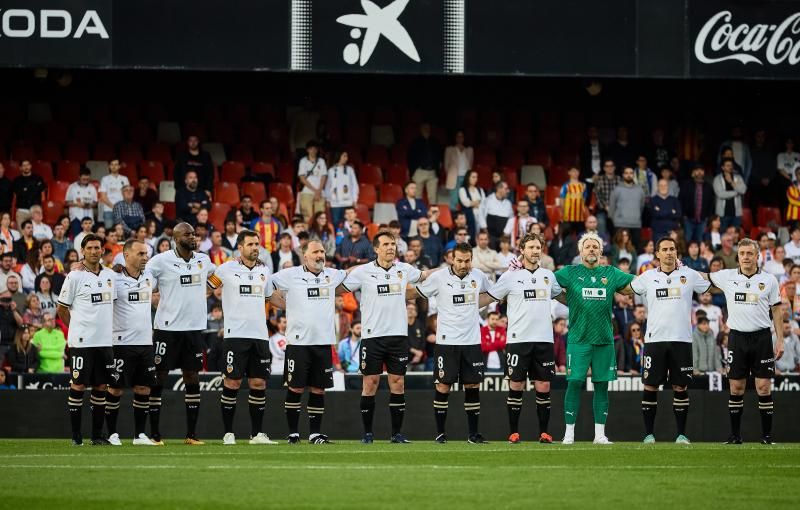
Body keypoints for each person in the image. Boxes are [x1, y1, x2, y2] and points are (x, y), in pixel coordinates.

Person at [342, 230, 436, 443]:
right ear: (376, 249)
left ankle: (396, 434)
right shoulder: (363, 271)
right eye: (385, 244)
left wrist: (448, 270)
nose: (390, 247)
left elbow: (424, 276)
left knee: (398, 384)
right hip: (372, 336)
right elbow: (340, 286)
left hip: (398, 337)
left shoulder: (404, 269)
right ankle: (367, 433)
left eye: (392, 244)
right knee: (370, 383)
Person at [480, 233, 562, 443]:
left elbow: (559, 295)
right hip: (518, 339)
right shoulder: (510, 276)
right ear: (522, 250)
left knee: (543, 386)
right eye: (531, 247)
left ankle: (544, 432)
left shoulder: (548, 275)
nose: (535, 251)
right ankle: (513, 432)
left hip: (544, 339)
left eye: (538, 247)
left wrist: (584, 303)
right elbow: (491, 297)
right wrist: (463, 303)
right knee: (516, 385)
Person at [554, 232, 635, 444]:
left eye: (595, 246)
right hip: (578, 339)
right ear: (580, 251)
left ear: (600, 251)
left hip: (604, 340)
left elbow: (638, 284)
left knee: (601, 386)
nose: (591, 249)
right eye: (587, 246)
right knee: (573, 384)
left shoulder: (611, 272)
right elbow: (547, 283)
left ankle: (600, 434)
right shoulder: (570, 272)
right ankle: (568, 434)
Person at [632, 237, 711, 444]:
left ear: (677, 252)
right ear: (657, 254)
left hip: (681, 340)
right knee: (650, 386)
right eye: (664, 249)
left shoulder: (689, 274)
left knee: (680, 387)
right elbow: (626, 288)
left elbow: (711, 285)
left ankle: (681, 435)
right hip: (655, 340)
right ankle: (649, 434)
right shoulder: (647, 277)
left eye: (672, 249)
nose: (669, 252)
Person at [270, 240, 348, 444]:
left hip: (323, 343)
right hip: (298, 343)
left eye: (322, 251)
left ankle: (314, 434)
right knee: (295, 388)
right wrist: (285, 305)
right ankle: (293, 433)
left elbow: (353, 272)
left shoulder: (331, 274)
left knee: (318, 389)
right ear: (305, 256)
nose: (320, 255)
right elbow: (266, 287)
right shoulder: (289, 275)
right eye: (316, 252)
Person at [146, 222, 216, 445]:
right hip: (167, 329)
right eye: (188, 234)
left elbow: (216, 278)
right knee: (159, 377)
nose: (193, 237)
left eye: (194, 233)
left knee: (192, 377)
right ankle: (155, 434)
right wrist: (153, 297)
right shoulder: (160, 261)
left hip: (194, 330)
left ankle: (191, 435)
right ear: (175, 238)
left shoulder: (203, 260)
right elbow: (142, 279)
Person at [207, 230, 279, 445]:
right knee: (233, 382)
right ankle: (228, 433)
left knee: (258, 383)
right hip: (235, 335)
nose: (255, 247)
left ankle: (256, 434)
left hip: (259, 336)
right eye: (250, 244)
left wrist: (295, 306)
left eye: (257, 244)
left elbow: (270, 297)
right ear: (240, 247)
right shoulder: (225, 268)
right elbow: (208, 288)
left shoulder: (264, 270)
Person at [708, 238, 782, 444]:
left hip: (762, 338)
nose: (746, 257)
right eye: (742, 254)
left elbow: (777, 310)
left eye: (750, 253)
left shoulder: (769, 280)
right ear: (737, 256)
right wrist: (680, 268)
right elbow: (703, 276)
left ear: (757, 256)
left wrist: (780, 340)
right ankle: (735, 436)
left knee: (764, 388)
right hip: (737, 338)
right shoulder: (728, 276)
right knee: (736, 388)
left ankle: (767, 436)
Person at [416, 242, 491, 444]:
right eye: (459, 260)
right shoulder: (439, 277)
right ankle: (440, 433)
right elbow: (418, 292)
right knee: (442, 386)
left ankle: (473, 434)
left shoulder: (479, 277)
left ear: (471, 260)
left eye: (467, 261)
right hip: (446, 342)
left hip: (472, 341)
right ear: (451, 258)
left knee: (473, 385)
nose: (463, 264)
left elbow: (494, 294)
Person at [57, 234, 116, 446]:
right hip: (82, 342)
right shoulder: (74, 277)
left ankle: (97, 436)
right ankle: (75, 436)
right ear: (83, 251)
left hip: (105, 342)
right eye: (89, 247)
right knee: (79, 385)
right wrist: (76, 327)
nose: (94, 251)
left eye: (97, 247)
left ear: (102, 250)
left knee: (101, 387)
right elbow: (62, 308)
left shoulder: (110, 276)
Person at [104, 239, 158, 446]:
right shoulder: (114, 278)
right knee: (115, 389)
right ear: (126, 255)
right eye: (141, 254)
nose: (145, 257)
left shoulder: (149, 276)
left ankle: (139, 435)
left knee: (143, 388)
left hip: (145, 343)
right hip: (121, 343)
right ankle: (112, 434)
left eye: (146, 254)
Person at [609, 166, 646, 251]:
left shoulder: (640, 190)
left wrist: (636, 216)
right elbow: (612, 207)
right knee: (619, 250)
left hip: (635, 224)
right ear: (623, 175)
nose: (629, 175)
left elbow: (642, 206)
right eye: (626, 173)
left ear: (633, 175)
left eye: (631, 173)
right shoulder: (617, 189)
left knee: (634, 250)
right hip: (620, 224)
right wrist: (615, 220)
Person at [408, 122, 442, 204]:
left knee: (433, 198)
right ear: (421, 129)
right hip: (419, 171)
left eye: (428, 128)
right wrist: (413, 172)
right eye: (425, 128)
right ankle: (417, 215)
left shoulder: (435, 141)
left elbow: (439, 156)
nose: (427, 129)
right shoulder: (415, 142)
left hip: (432, 172)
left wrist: (438, 170)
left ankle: (433, 216)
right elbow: (410, 158)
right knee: (417, 196)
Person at [680, 164, 715, 243]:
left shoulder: (708, 186)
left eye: (701, 170)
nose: (699, 172)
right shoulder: (686, 185)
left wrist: (707, 217)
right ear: (693, 173)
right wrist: (684, 215)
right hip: (688, 219)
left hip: (702, 220)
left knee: (700, 241)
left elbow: (711, 203)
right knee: (687, 241)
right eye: (697, 170)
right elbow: (681, 200)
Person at [325, 151, 359, 229]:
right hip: (335, 203)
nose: (346, 158)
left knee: (348, 223)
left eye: (346, 156)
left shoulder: (350, 170)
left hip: (347, 202)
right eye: (344, 156)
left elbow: (354, 185)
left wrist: (355, 200)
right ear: (339, 156)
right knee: (336, 223)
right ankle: (338, 240)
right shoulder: (331, 170)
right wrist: (328, 199)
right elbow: (328, 186)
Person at [714, 157, 748, 231]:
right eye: (728, 165)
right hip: (723, 214)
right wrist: (736, 193)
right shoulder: (717, 179)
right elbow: (720, 194)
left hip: (736, 214)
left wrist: (731, 182)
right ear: (723, 167)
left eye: (731, 165)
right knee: (722, 235)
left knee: (736, 236)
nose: (730, 167)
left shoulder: (738, 178)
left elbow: (743, 190)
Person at [298, 140, 328, 222]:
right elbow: (302, 178)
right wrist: (315, 190)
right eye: (311, 149)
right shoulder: (303, 161)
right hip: (307, 191)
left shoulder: (321, 161)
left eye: (315, 149)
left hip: (320, 192)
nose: (313, 151)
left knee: (320, 215)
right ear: (307, 150)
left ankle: (319, 233)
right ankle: (308, 233)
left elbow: (324, 176)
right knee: (307, 215)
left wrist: (319, 190)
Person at [445, 130, 473, 209]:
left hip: (465, 177)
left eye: (461, 136)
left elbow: (470, 164)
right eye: (458, 136)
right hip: (454, 177)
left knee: (465, 198)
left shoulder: (469, 150)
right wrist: (451, 174)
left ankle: (463, 217)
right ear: (455, 138)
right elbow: (446, 165)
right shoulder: (449, 149)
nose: (460, 138)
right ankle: (453, 216)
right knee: (454, 199)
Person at [98, 160, 129, 228]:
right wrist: (114, 207)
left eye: (116, 164)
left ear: (119, 166)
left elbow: (128, 195)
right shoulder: (105, 179)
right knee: (109, 232)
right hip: (108, 210)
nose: (114, 166)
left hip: (122, 211)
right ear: (109, 166)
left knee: (121, 232)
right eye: (112, 164)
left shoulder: (125, 179)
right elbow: (103, 197)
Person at [65, 168, 97, 235]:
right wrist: (78, 204)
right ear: (79, 177)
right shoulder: (72, 187)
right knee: (77, 238)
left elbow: (95, 202)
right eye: (84, 179)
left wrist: (90, 205)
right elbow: (67, 202)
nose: (85, 181)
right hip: (76, 217)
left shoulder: (92, 188)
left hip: (89, 217)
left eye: (87, 179)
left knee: (88, 238)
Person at [592, 159, 620, 236]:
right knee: (600, 223)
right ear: (604, 168)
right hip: (602, 209)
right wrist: (605, 206)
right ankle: (603, 246)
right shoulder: (600, 179)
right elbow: (597, 195)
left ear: (614, 167)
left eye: (611, 166)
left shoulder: (619, 179)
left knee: (619, 229)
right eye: (607, 166)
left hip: (616, 209)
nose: (609, 168)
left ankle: (617, 246)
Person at [459, 170, 485, 239]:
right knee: (470, 235)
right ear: (468, 178)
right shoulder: (462, 190)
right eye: (473, 177)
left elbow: (484, 203)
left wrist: (473, 203)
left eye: (476, 177)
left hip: (480, 215)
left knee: (480, 235)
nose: (475, 179)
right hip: (469, 216)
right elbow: (466, 203)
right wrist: (477, 202)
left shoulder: (480, 189)